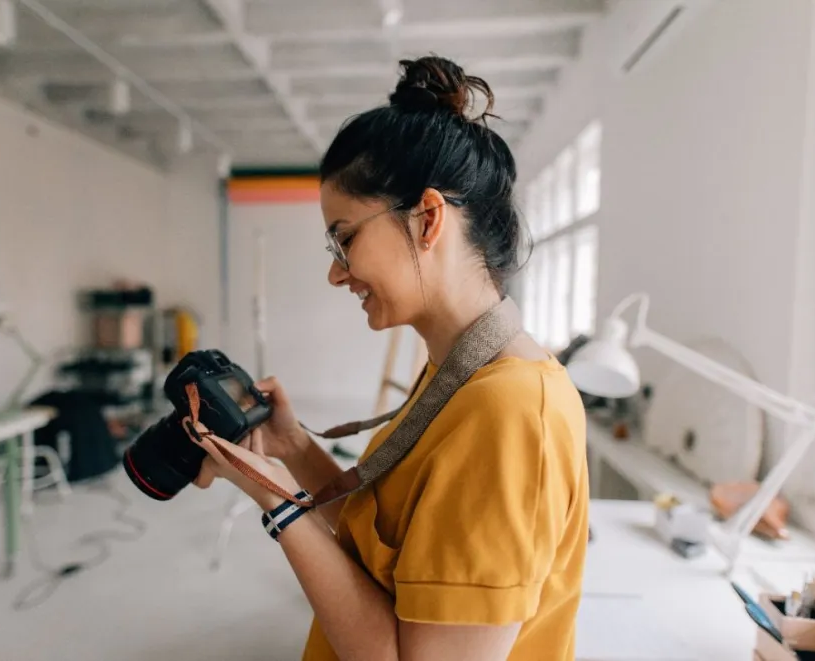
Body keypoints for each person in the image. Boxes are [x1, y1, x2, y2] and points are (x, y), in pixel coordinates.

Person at [191, 55, 590, 661]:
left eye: (345, 239)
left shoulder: (509, 413)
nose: (335, 272)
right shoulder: (462, 374)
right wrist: (294, 448)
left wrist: (277, 505)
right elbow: (385, 541)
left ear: (427, 219)